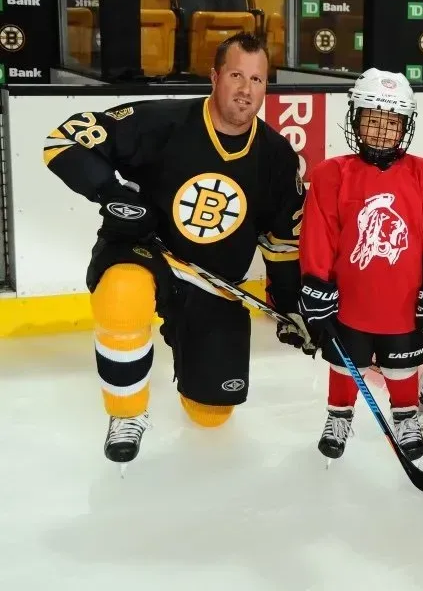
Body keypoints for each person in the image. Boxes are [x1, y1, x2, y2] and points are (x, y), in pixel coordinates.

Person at [44, 32, 314, 467]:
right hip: (143, 251)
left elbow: (281, 242)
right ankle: (126, 415)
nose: (246, 90)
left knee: (211, 415)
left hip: (212, 279)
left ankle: (190, 356)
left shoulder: (278, 158)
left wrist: (287, 305)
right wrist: (112, 193)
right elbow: (62, 142)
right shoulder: (160, 123)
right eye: (236, 75)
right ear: (214, 77)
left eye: (258, 80)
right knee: (121, 295)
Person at [297, 68, 423, 462]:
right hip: (350, 299)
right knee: (342, 359)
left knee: (403, 362)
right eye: (372, 119)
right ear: (355, 119)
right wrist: (316, 282)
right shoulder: (333, 174)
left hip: (403, 301)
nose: (381, 131)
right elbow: (319, 235)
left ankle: (404, 417)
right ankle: (338, 416)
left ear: (406, 125)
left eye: (391, 122)